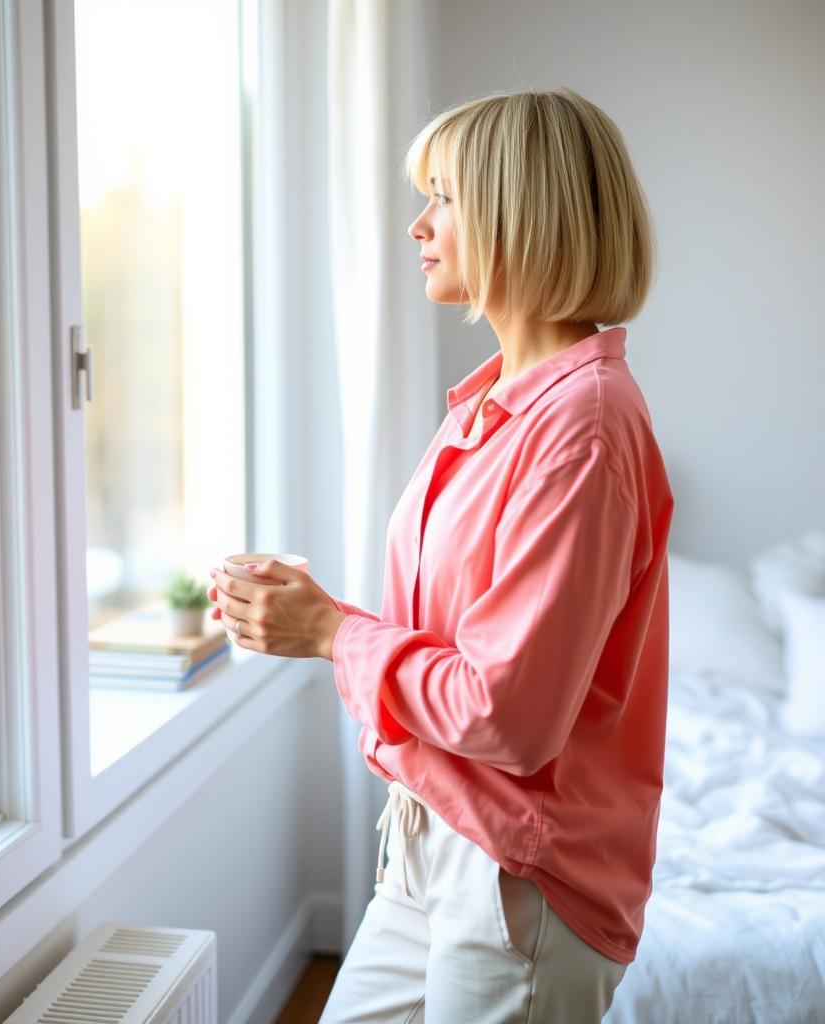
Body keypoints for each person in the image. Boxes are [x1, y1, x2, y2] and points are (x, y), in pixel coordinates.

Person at [208, 85, 674, 1023]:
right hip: (432, 832)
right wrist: (322, 618)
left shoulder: (578, 428)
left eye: (444, 198)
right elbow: (461, 643)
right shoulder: (495, 405)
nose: (419, 225)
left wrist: (333, 635)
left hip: (520, 876)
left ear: (521, 214)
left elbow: (510, 712)